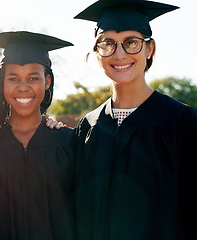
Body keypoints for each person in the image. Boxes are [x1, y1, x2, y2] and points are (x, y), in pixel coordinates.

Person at [73, 0, 197, 239]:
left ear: (149, 49)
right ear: (97, 52)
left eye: (131, 43)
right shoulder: (88, 127)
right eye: (107, 44)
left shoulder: (183, 124)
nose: (119, 54)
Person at [0, 31, 77, 240]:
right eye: (13, 78)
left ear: (47, 82)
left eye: (33, 78)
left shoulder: (69, 142)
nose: (23, 87)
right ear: (2, 83)